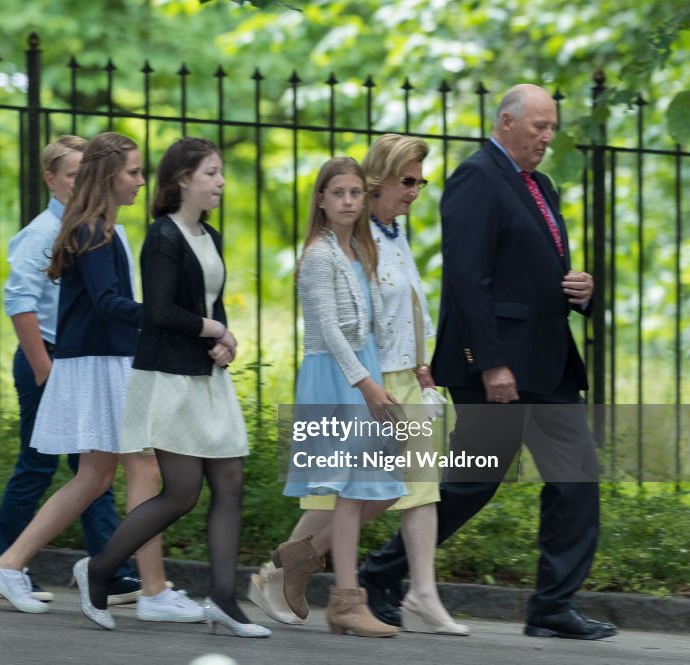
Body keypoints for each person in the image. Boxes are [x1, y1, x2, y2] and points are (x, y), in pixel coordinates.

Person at [358, 84, 616, 640]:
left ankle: (551, 608)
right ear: (506, 122)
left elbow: (530, 271)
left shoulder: (539, 185)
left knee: (577, 481)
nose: (547, 138)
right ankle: (378, 575)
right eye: (538, 127)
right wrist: (491, 364)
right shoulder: (477, 177)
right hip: (496, 366)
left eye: (552, 128)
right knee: (471, 482)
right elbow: (468, 279)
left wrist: (581, 289)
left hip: (548, 364)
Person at [250, 135, 468, 636]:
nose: (415, 191)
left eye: (420, 181)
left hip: (396, 374)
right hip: (368, 377)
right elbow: (339, 325)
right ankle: (293, 576)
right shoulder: (346, 243)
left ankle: (411, 592)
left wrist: (422, 363)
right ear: (378, 182)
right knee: (350, 494)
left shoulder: (386, 235)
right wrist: (370, 382)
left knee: (406, 488)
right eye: (407, 181)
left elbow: (406, 304)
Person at [0, 132, 198, 624]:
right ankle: (153, 590)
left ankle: (9, 564)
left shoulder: (99, 228)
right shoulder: (94, 231)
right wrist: (170, 319)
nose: (142, 181)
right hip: (99, 365)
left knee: (95, 475)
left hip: (99, 361)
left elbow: (105, 307)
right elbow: (107, 306)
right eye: (134, 172)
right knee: (142, 470)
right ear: (110, 177)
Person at [74, 137, 269, 637]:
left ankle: (225, 599)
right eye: (211, 173)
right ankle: (99, 570)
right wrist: (214, 330)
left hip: (207, 377)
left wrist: (224, 340)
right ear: (183, 179)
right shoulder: (162, 237)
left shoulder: (211, 236)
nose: (220, 181)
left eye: (220, 172)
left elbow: (211, 303)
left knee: (230, 483)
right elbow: (160, 312)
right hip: (167, 379)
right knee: (180, 494)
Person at [0, 135, 139, 605]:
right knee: (40, 465)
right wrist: (44, 369)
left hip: (84, 358)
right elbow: (20, 303)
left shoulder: (102, 228)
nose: (79, 179)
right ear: (52, 179)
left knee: (93, 471)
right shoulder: (51, 232)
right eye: (71, 172)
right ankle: (9, 561)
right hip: (52, 360)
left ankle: (114, 569)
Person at [280, 156, 402, 638]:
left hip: (362, 368)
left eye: (355, 193)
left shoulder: (359, 253)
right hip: (337, 377)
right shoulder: (318, 256)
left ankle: (297, 560)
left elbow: (373, 323)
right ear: (321, 200)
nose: (348, 202)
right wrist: (365, 384)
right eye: (339, 194)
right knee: (352, 491)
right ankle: (346, 601)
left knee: (385, 488)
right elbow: (328, 331)